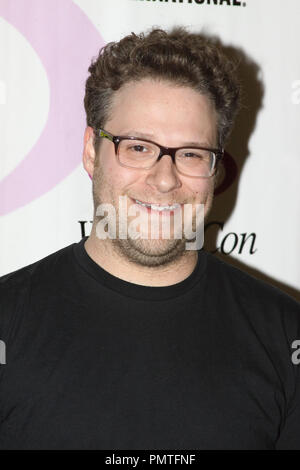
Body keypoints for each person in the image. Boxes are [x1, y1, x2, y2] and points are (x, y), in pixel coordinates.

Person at [0, 26, 300, 450]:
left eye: (192, 154)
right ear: (91, 151)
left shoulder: (286, 334)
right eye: (138, 147)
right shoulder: (8, 320)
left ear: (215, 169)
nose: (164, 179)